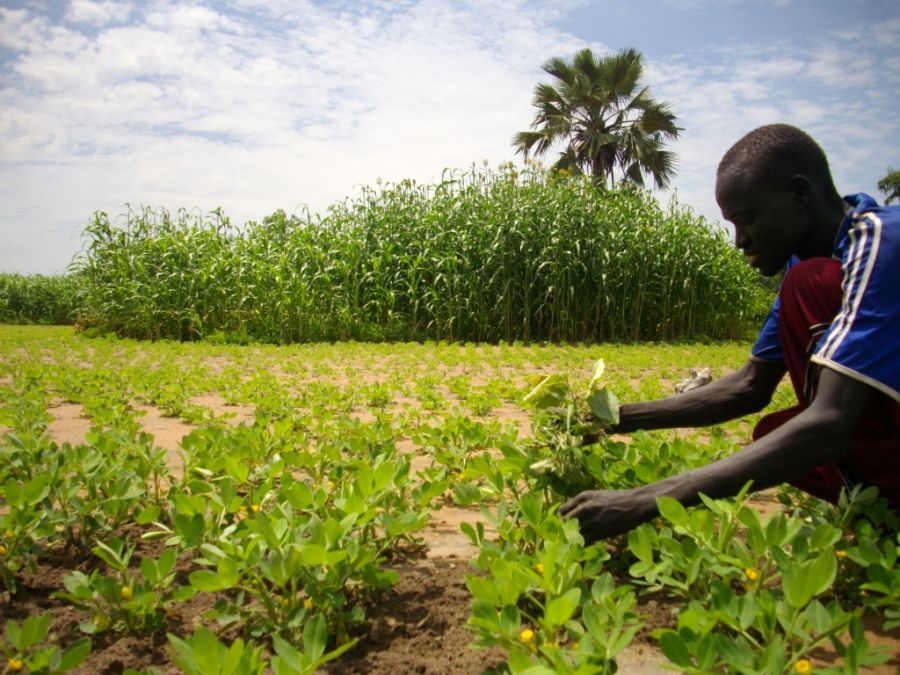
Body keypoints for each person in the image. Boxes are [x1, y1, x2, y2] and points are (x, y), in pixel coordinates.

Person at [559, 124, 900, 543]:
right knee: (775, 433)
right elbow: (750, 386)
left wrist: (646, 499)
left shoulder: (879, 243)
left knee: (810, 285)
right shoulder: (805, 261)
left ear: (798, 193)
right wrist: (609, 419)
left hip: (845, 419)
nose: (740, 241)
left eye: (747, 219)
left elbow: (831, 421)